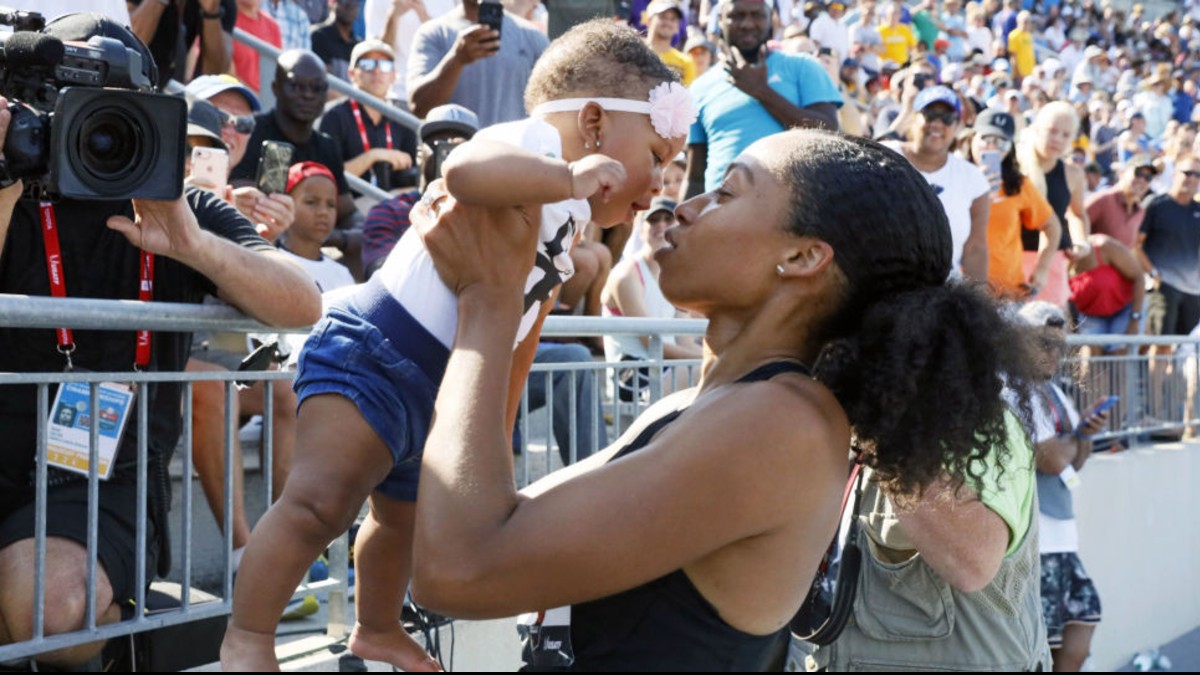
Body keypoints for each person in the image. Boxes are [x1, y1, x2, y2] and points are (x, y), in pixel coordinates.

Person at [407, 128, 1039, 670]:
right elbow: (478, 518)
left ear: (801, 257)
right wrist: (522, 290)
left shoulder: (779, 426)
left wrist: (489, 300)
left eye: (727, 192)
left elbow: (459, 568)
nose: (684, 208)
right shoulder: (711, 409)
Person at [221, 20, 690, 671]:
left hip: (441, 388)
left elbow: (525, 323)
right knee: (319, 503)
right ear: (592, 124)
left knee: (402, 520)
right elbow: (466, 171)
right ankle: (246, 635)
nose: (662, 181)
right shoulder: (529, 146)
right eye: (659, 157)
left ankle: (376, 625)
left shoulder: (571, 217)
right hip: (376, 349)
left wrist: (494, 430)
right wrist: (567, 177)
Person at [0, 14, 321, 668]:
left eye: (118, 114)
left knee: (52, 604)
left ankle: (116, 647)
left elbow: (303, 302)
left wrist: (193, 245)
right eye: (71, 109)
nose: (96, 131)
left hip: (100, 475)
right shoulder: (13, 191)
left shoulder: (180, 206)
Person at [1019, 302, 1106, 673]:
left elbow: (1073, 457)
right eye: (1044, 343)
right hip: (1035, 542)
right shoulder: (1013, 389)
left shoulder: (1054, 392)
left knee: (1081, 630)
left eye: (1058, 345)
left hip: (1062, 538)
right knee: (1039, 653)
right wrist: (1074, 439)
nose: (1054, 354)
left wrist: (1081, 435)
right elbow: (1052, 459)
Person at [686, 0, 841, 197]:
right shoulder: (700, 87)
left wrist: (761, 91)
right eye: (737, 15)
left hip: (794, 208)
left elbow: (829, 133)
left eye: (757, 15)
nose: (747, 24)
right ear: (720, 20)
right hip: (723, 216)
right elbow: (695, 177)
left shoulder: (803, 66)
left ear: (771, 21)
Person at [230, 50, 359, 246]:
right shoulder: (251, 134)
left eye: (317, 88)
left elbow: (348, 212)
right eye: (296, 86)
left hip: (313, 252)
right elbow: (246, 205)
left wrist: (358, 233)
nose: (307, 95)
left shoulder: (327, 146)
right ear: (276, 88)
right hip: (255, 245)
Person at [884, 86, 991, 281]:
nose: (937, 124)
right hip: (885, 281)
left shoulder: (973, 179)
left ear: (958, 125)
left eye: (947, 118)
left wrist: (980, 302)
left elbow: (975, 248)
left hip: (942, 291)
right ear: (914, 117)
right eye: (930, 114)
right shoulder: (883, 157)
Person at [362, 104, 480, 277]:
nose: (448, 154)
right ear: (420, 154)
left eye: (459, 148)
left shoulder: (487, 217)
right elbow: (382, 274)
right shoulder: (389, 212)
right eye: (439, 144)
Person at [602, 196, 702, 395]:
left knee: (722, 371)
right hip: (631, 376)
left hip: (665, 367)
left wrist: (719, 358)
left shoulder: (675, 275)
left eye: (668, 219)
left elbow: (685, 341)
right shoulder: (627, 274)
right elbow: (651, 342)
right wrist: (708, 360)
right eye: (653, 220)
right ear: (640, 228)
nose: (661, 225)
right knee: (707, 372)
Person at [965, 109, 1062, 299]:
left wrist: (1041, 268)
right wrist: (976, 185)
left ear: (1009, 148)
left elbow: (1052, 226)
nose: (992, 146)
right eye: (986, 138)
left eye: (1001, 142)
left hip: (1007, 293)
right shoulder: (954, 177)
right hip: (961, 291)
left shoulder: (1018, 185)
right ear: (972, 139)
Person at [406, 0, 549, 126]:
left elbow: (552, 103)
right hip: (454, 152)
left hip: (513, 152)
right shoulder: (434, 33)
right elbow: (418, 107)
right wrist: (456, 60)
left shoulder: (532, 37)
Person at [318, 39, 418, 193]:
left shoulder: (402, 118)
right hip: (350, 204)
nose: (377, 71)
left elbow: (414, 174)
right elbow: (326, 177)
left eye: (385, 65)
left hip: (395, 203)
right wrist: (373, 156)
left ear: (393, 75)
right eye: (367, 64)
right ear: (352, 74)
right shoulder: (334, 116)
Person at [1018, 101, 1092, 309]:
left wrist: (1081, 242)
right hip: (1010, 255)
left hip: (1052, 261)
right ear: (1038, 129)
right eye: (1052, 131)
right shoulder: (1015, 165)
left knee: (1049, 334)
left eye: (1066, 135)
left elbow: (1078, 214)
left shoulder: (1073, 174)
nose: (1057, 139)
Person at [277, 162, 357, 292]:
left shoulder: (341, 274)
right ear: (286, 204)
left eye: (330, 205)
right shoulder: (273, 263)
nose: (323, 212)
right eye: (311, 202)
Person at [128, 0, 235, 88]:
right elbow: (128, 42)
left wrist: (211, 14)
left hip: (160, 90)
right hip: (122, 78)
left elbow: (215, 73)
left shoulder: (224, 3)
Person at [1069, 234, 1145, 354]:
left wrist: (1135, 319)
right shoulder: (1061, 258)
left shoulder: (1104, 246)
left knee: (1119, 358)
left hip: (1125, 310)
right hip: (1090, 314)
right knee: (1088, 355)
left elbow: (1139, 278)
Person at [1086, 160, 1154, 248]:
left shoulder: (1140, 212)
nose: (1142, 180)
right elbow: (1072, 227)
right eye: (1138, 173)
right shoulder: (1103, 199)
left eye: (1148, 177)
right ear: (1122, 173)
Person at [232, 0, 283, 93]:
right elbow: (226, 74)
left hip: (267, 100)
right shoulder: (225, 22)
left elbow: (277, 73)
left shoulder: (273, 26)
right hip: (236, 99)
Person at [643, 0, 695, 86]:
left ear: (678, 26)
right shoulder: (634, 52)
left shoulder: (685, 62)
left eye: (673, 19)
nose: (668, 22)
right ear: (649, 20)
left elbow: (688, 95)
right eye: (663, 17)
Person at [311, 0, 362, 81]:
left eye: (355, 1)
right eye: (345, 0)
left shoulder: (359, 46)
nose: (351, 4)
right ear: (331, 2)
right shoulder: (317, 36)